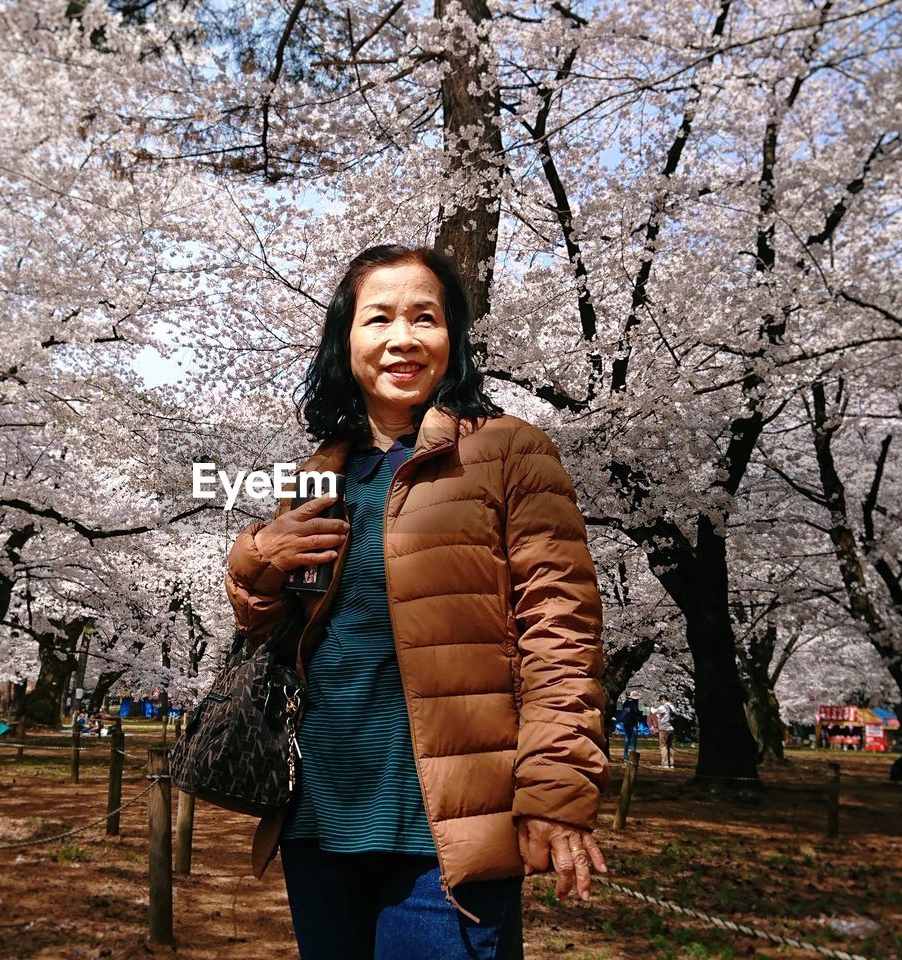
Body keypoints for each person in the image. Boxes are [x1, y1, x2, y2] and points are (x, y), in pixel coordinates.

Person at [225, 245, 609, 960]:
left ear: (452, 339)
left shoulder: (510, 453)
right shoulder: (318, 473)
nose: (402, 338)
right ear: (347, 343)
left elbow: (561, 635)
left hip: (448, 829)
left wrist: (557, 791)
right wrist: (257, 561)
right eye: (378, 319)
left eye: (424, 318)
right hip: (321, 814)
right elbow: (267, 632)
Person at [615, 694, 644, 763]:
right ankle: (630, 758)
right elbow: (639, 715)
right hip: (632, 723)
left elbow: (624, 713)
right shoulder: (634, 705)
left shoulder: (628, 704)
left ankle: (627, 758)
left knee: (628, 740)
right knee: (633, 741)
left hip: (628, 723)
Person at [650, 697, 675, 769]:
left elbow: (654, 711)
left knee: (663, 746)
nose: (660, 702)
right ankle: (671, 763)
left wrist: (651, 707)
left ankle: (665, 764)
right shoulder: (672, 707)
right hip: (671, 728)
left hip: (664, 728)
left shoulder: (664, 707)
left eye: (660, 701)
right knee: (670, 746)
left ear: (663, 699)